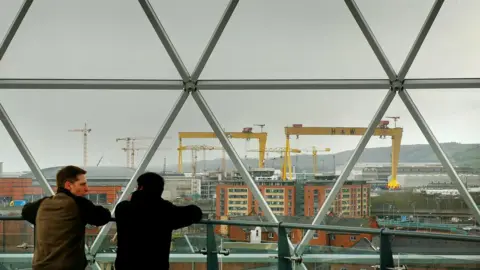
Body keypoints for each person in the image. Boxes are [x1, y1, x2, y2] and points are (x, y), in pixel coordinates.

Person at [21, 165, 112, 270]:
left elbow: (25, 211)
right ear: (69, 185)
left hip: (40, 266)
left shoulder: (43, 204)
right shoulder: (78, 204)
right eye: (82, 184)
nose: (86, 189)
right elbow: (103, 217)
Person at [114, 172, 203, 270]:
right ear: (160, 190)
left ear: (140, 188)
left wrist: (134, 197)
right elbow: (196, 213)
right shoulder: (166, 211)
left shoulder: (123, 209)